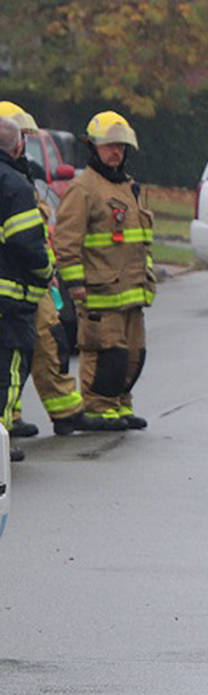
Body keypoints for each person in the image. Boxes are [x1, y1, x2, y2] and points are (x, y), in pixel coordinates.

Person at [55, 111, 154, 432]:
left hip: (132, 290)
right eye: (110, 146)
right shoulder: (83, 188)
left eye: (121, 147)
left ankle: (120, 405)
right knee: (106, 352)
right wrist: (76, 286)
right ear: (94, 147)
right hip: (99, 290)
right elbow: (67, 240)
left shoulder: (128, 187)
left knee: (133, 354)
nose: (116, 153)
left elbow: (140, 242)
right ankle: (99, 408)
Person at [0, 101, 85, 438]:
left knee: (41, 345)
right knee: (9, 362)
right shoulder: (14, 183)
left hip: (23, 284)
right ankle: (7, 428)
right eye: (23, 137)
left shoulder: (21, 175)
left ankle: (57, 411)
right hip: (19, 285)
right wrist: (45, 267)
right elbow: (23, 240)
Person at [0, 115, 53, 461]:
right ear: (18, 146)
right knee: (6, 376)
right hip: (10, 302)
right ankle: (0, 449)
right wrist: (48, 269)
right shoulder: (15, 186)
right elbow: (28, 245)